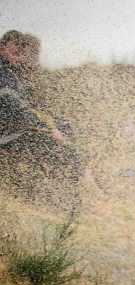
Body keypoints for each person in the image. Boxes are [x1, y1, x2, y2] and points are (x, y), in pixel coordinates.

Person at [0, 30, 82, 204]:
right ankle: (65, 201)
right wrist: (48, 129)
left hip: (15, 132)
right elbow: (16, 108)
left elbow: (38, 105)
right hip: (6, 136)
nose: (20, 55)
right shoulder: (4, 73)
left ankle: (55, 193)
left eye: (23, 51)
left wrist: (60, 123)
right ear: (2, 48)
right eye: (16, 50)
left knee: (66, 135)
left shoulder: (16, 73)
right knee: (66, 152)